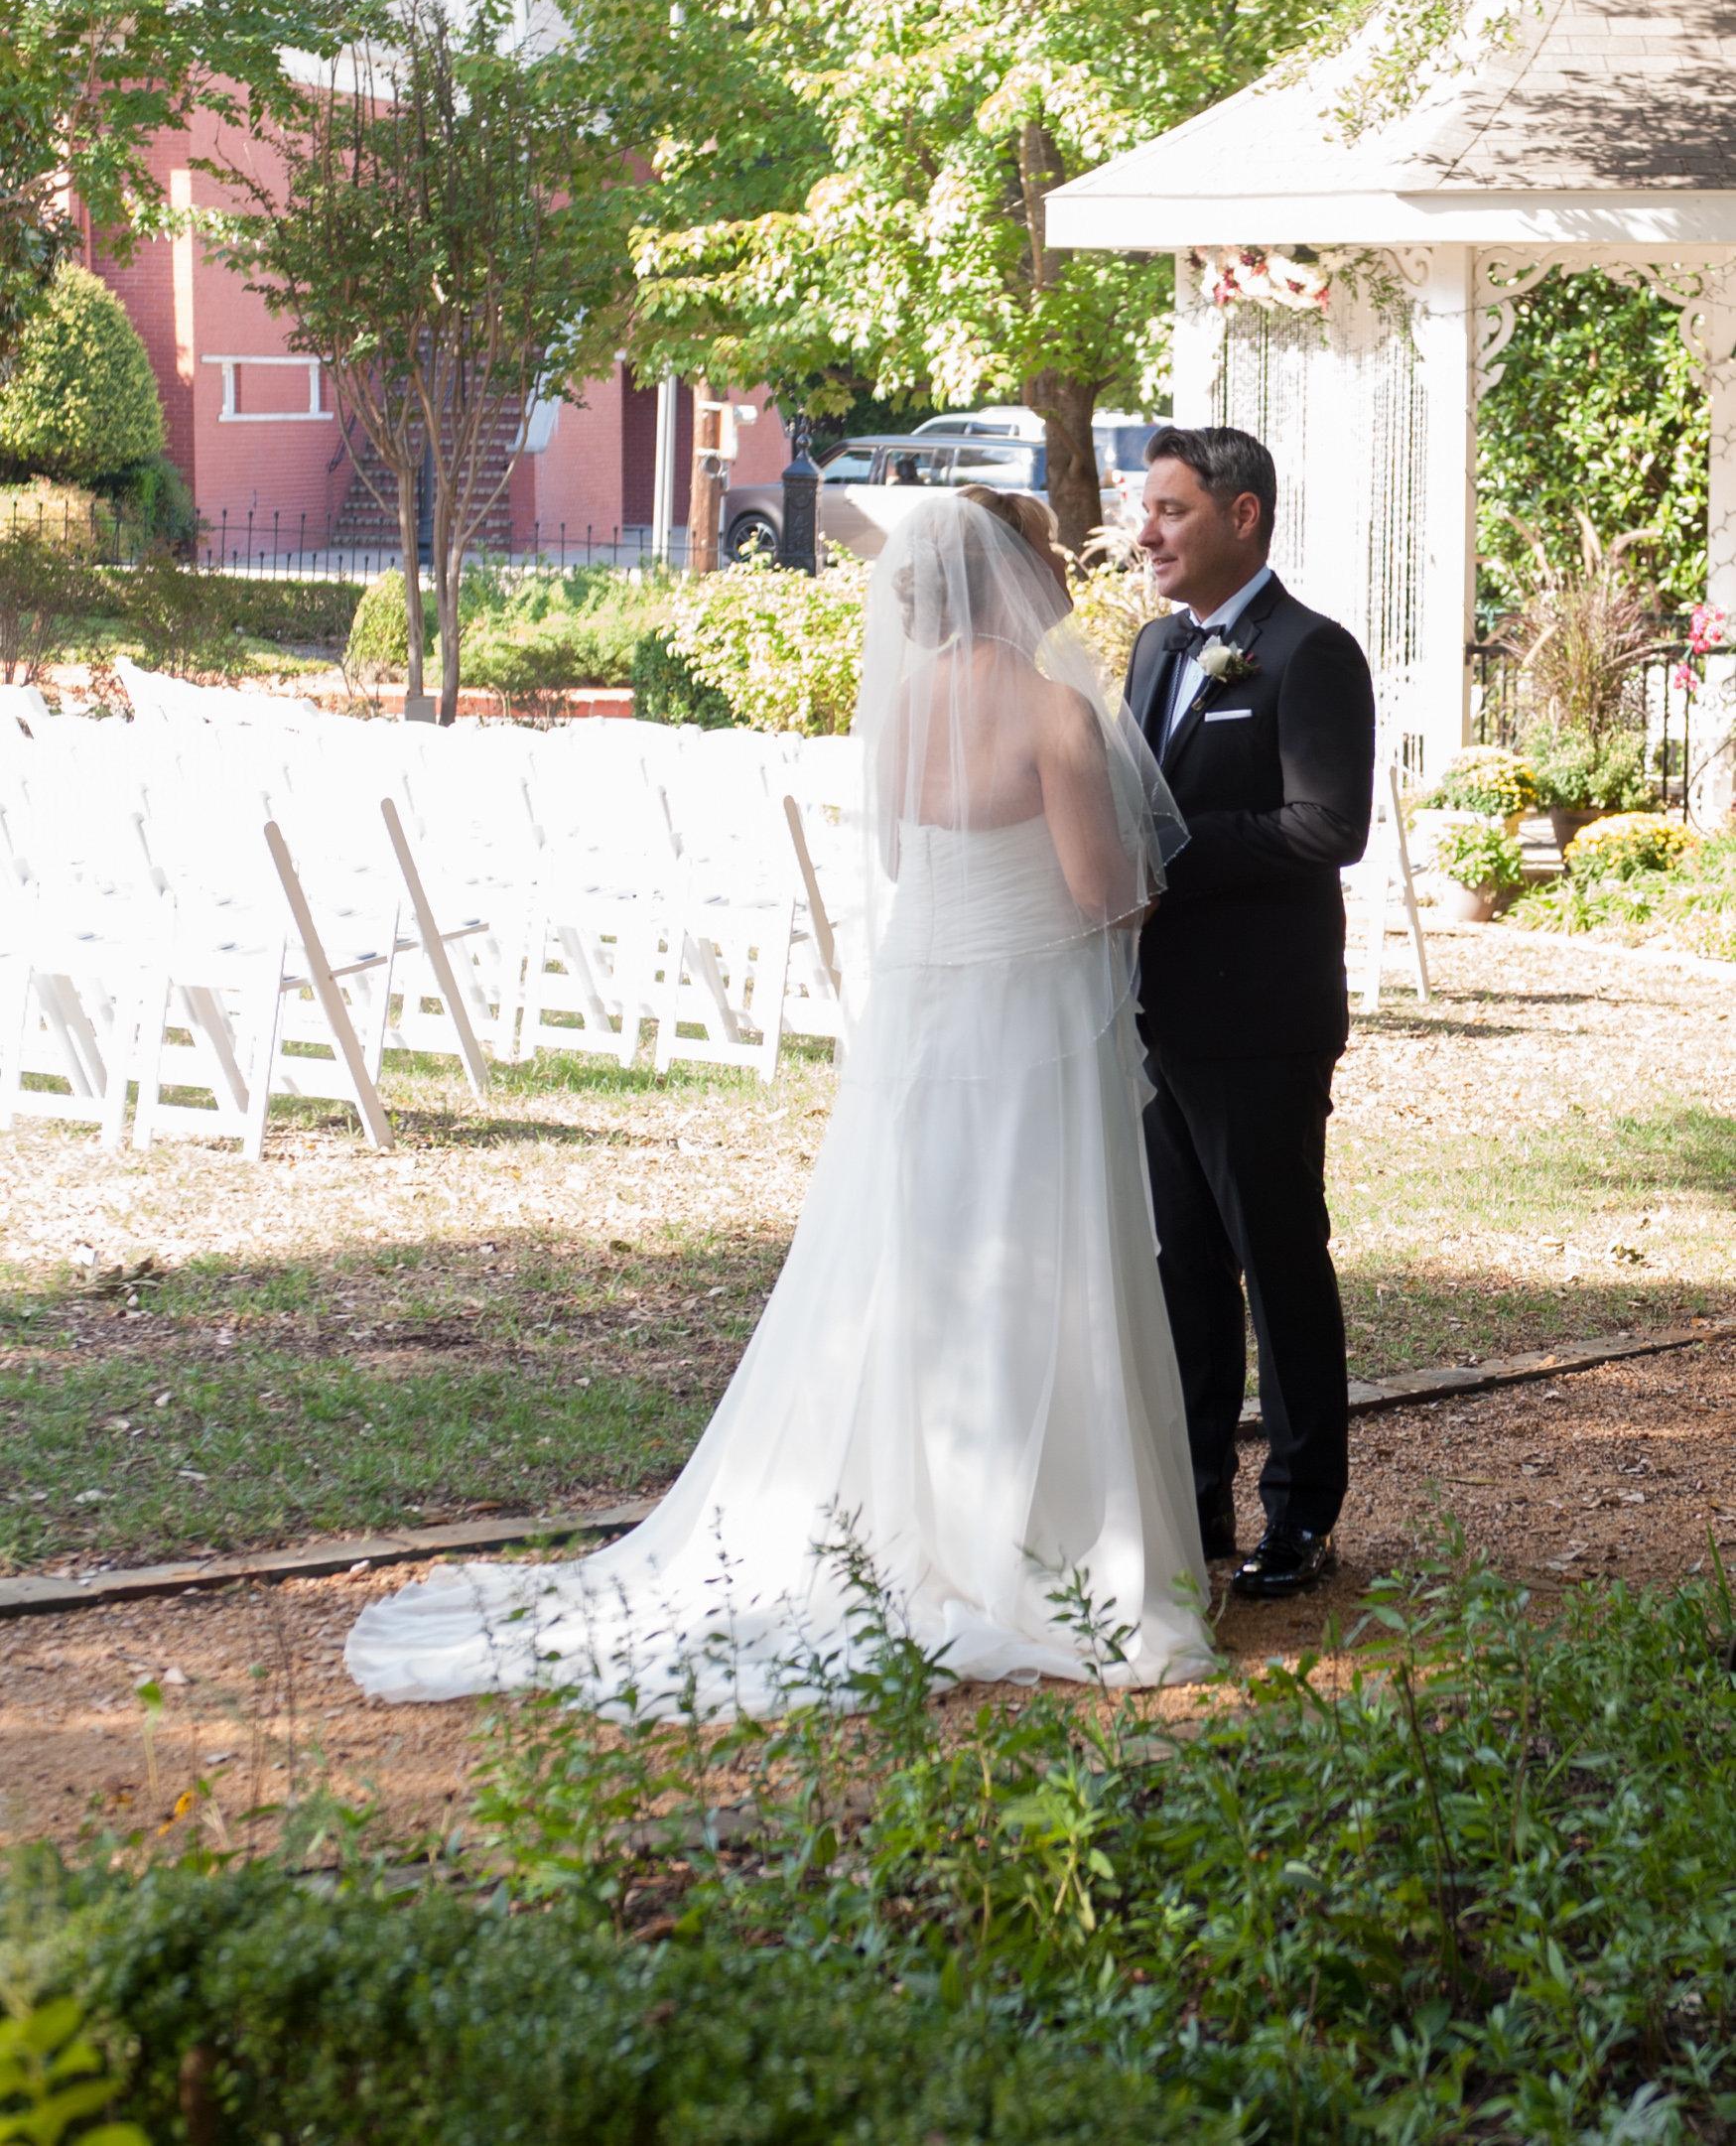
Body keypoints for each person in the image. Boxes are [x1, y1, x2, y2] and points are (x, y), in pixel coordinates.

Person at [347, 492, 1211, 1713]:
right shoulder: (1057, 712)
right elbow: (1100, 892)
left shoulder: (905, 706)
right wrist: (1156, 883)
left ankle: (913, 1509)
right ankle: (1039, 1544)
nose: (1066, 574)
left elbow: (907, 861)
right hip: (1027, 1022)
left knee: (917, 1259)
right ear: (1018, 578)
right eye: (1049, 554)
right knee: (1036, 1253)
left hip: (924, 1015)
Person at [1124, 426, 1375, 1602]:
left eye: (1171, 510)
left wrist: (1164, 853)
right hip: (1157, 1018)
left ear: (1243, 516)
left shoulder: (1311, 653)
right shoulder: (1152, 648)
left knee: (1279, 1268)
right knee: (1182, 1270)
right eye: (1148, 510)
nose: (1147, 534)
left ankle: (1302, 1514)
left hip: (1264, 1019)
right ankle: (1195, 1502)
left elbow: (1328, 827)